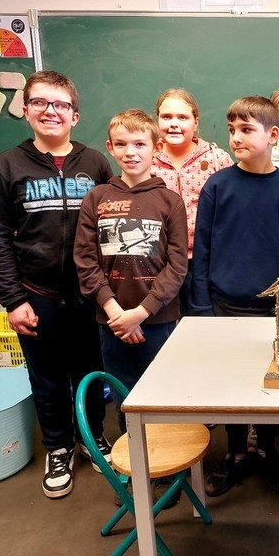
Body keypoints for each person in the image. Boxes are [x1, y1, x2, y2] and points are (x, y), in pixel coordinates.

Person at [0, 70, 113, 499]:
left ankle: (92, 437)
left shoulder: (95, 163)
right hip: (36, 296)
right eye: (39, 102)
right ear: (26, 110)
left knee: (91, 371)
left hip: (89, 295)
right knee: (47, 378)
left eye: (60, 104)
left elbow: (109, 231)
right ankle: (58, 447)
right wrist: (12, 299)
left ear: (75, 115)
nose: (50, 111)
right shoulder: (7, 165)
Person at [193, 95, 279, 497]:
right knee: (231, 383)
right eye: (232, 130)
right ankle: (237, 452)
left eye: (246, 129)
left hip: (273, 309)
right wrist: (201, 307)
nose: (236, 137)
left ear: (273, 135)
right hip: (223, 305)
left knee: (270, 383)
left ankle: (268, 449)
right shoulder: (218, 185)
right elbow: (202, 249)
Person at [74, 108, 187, 432]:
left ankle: (164, 455)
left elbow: (177, 265)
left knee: (160, 391)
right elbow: (85, 260)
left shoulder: (170, 201)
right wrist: (116, 313)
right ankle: (132, 452)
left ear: (156, 148)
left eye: (139, 144)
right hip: (111, 321)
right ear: (110, 148)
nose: (130, 152)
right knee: (124, 393)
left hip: (158, 319)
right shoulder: (97, 198)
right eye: (121, 144)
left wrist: (141, 313)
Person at [150, 88, 233, 316]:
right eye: (167, 117)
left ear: (195, 122)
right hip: (160, 263)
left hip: (206, 263)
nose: (174, 124)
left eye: (182, 117)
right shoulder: (147, 159)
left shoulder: (216, 159)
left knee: (203, 326)